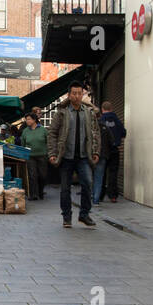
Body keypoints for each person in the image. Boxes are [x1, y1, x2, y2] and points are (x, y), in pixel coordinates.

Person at [47, 83, 100, 228]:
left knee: (87, 183)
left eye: (79, 93)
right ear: (69, 95)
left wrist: (96, 151)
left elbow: (95, 133)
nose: (77, 96)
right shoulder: (62, 113)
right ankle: (67, 217)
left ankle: (84, 214)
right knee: (65, 188)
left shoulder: (88, 113)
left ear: (82, 94)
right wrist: (52, 153)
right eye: (74, 93)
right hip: (66, 157)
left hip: (84, 156)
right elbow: (52, 133)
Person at [94, 100, 127, 204]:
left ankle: (100, 195)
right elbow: (123, 133)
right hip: (114, 150)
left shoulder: (100, 120)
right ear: (111, 108)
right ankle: (113, 196)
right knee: (113, 173)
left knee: (101, 173)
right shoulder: (117, 120)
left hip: (103, 151)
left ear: (102, 109)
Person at [19, 113, 48, 201]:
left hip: (42, 156)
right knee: (32, 175)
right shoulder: (25, 131)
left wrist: (49, 154)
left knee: (43, 175)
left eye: (28, 119)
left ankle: (40, 191)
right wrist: (24, 155)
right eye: (26, 119)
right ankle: (33, 194)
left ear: (34, 120)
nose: (27, 121)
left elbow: (48, 142)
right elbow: (23, 144)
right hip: (30, 156)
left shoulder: (43, 130)